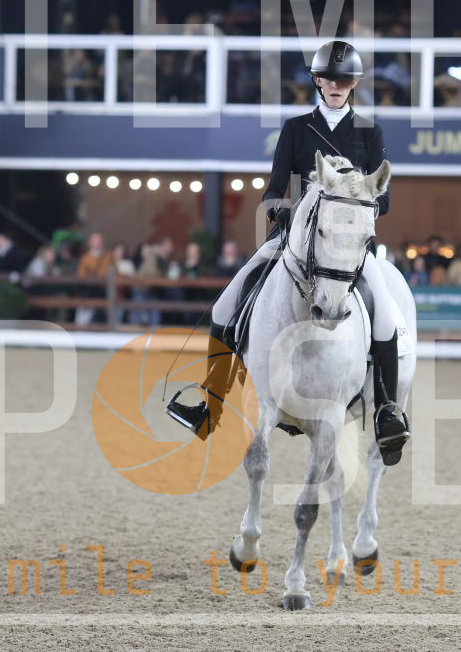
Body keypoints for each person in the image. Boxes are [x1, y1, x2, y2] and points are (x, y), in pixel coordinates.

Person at [166, 40, 410, 465]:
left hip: (346, 249)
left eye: (344, 80)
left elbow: (383, 198)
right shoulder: (296, 128)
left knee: (385, 314)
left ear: (354, 84)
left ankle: (387, 410)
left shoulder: (369, 131)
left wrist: (361, 207)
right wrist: (279, 208)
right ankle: (211, 403)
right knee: (227, 302)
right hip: (295, 240)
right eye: (329, 79)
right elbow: (274, 185)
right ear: (317, 81)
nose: (336, 85)